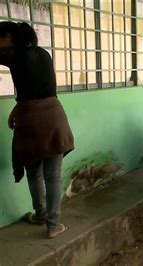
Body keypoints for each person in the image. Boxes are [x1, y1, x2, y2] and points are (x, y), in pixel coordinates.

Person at [0, 21, 74, 239]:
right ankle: (53, 225)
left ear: (9, 36)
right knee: (53, 176)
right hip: (53, 115)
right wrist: (17, 108)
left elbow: (28, 95)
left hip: (29, 120)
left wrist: (17, 110)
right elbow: (40, 90)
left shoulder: (13, 57)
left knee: (34, 173)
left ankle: (41, 214)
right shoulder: (43, 54)